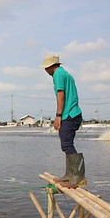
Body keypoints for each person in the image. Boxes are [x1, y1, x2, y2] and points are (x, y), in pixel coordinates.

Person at [40, 54, 86, 187]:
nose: (45, 71)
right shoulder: (64, 73)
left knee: (66, 145)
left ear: (50, 67)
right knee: (66, 144)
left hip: (69, 114)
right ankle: (70, 175)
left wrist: (58, 115)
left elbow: (61, 94)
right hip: (72, 113)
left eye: (46, 68)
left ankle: (78, 177)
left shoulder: (58, 75)